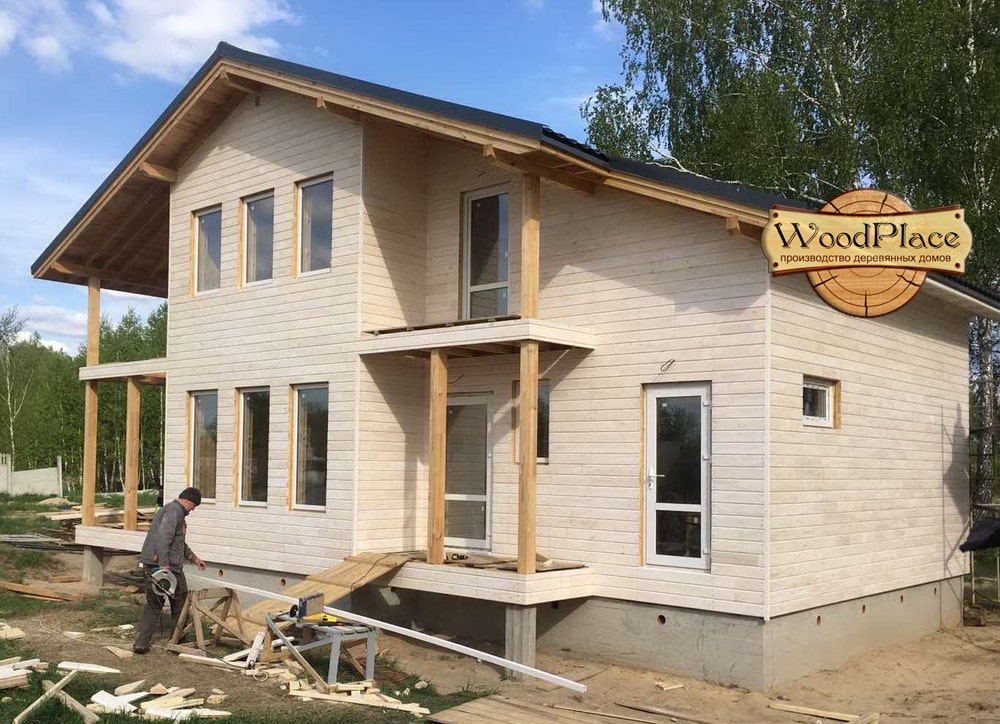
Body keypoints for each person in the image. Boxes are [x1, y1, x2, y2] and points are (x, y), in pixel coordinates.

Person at [133, 487, 206, 654]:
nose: (193, 509)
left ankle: (153, 642)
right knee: (171, 603)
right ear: (187, 500)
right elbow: (163, 538)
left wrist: (194, 558)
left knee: (164, 603)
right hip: (165, 567)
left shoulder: (174, 511)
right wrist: (164, 566)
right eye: (194, 505)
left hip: (164, 565)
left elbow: (178, 542)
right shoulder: (174, 511)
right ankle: (173, 640)